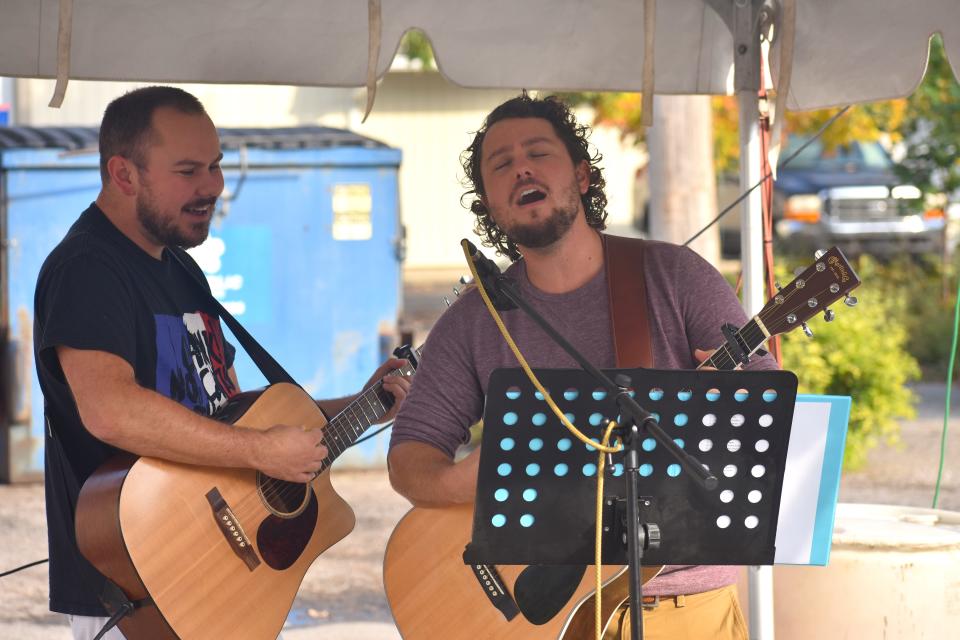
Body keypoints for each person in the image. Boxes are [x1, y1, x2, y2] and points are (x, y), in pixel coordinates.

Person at [387, 93, 776, 639]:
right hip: (536, 616)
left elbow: (763, 413)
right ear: (489, 205)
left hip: (683, 609)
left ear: (582, 176)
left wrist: (727, 402)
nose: (520, 166)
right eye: (500, 164)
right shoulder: (476, 321)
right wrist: (461, 482)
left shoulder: (676, 277)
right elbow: (408, 459)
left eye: (538, 153)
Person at [33, 86, 411, 640]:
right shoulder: (89, 268)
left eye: (215, 166)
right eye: (188, 171)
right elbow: (109, 411)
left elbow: (230, 416)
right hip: (136, 583)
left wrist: (364, 405)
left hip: (216, 576)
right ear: (123, 174)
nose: (212, 186)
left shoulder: (182, 271)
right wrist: (261, 451)